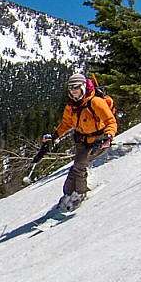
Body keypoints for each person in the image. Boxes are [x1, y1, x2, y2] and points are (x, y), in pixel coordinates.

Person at [43, 73, 117, 211]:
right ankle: (68, 194)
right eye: (70, 88)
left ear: (83, 87)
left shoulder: (95, 102)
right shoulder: (72, 106)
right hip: (82, 141)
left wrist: (108, 136)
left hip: (99, 141)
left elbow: (110, 121)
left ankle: (80, 193)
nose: (73, 90)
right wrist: (54, 136)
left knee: (79, 166)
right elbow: (66, 123)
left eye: (76, 87)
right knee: (75, 167)